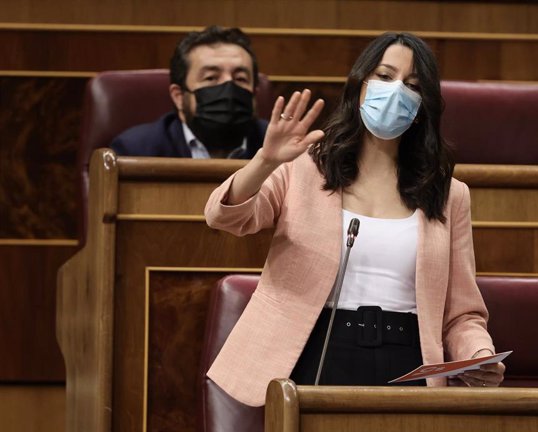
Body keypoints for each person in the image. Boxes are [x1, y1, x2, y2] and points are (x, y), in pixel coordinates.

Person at [204, 32, 505, 407]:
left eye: (412, 85)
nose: (396, 91)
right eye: (383, 76)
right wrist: (265, 161)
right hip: (315, 348)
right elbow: (226, 217)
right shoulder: (303, 168)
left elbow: (462, 313)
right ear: (358, 84)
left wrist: (478, 355)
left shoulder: (448, 194)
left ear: (422, 105)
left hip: (407, 361)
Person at [110, 26, 267, 159]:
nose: (228, 86)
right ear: (178, 96)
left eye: (240, 79)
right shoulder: (135, 151)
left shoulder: (282, 149)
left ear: (254, 93)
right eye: (211, 78)